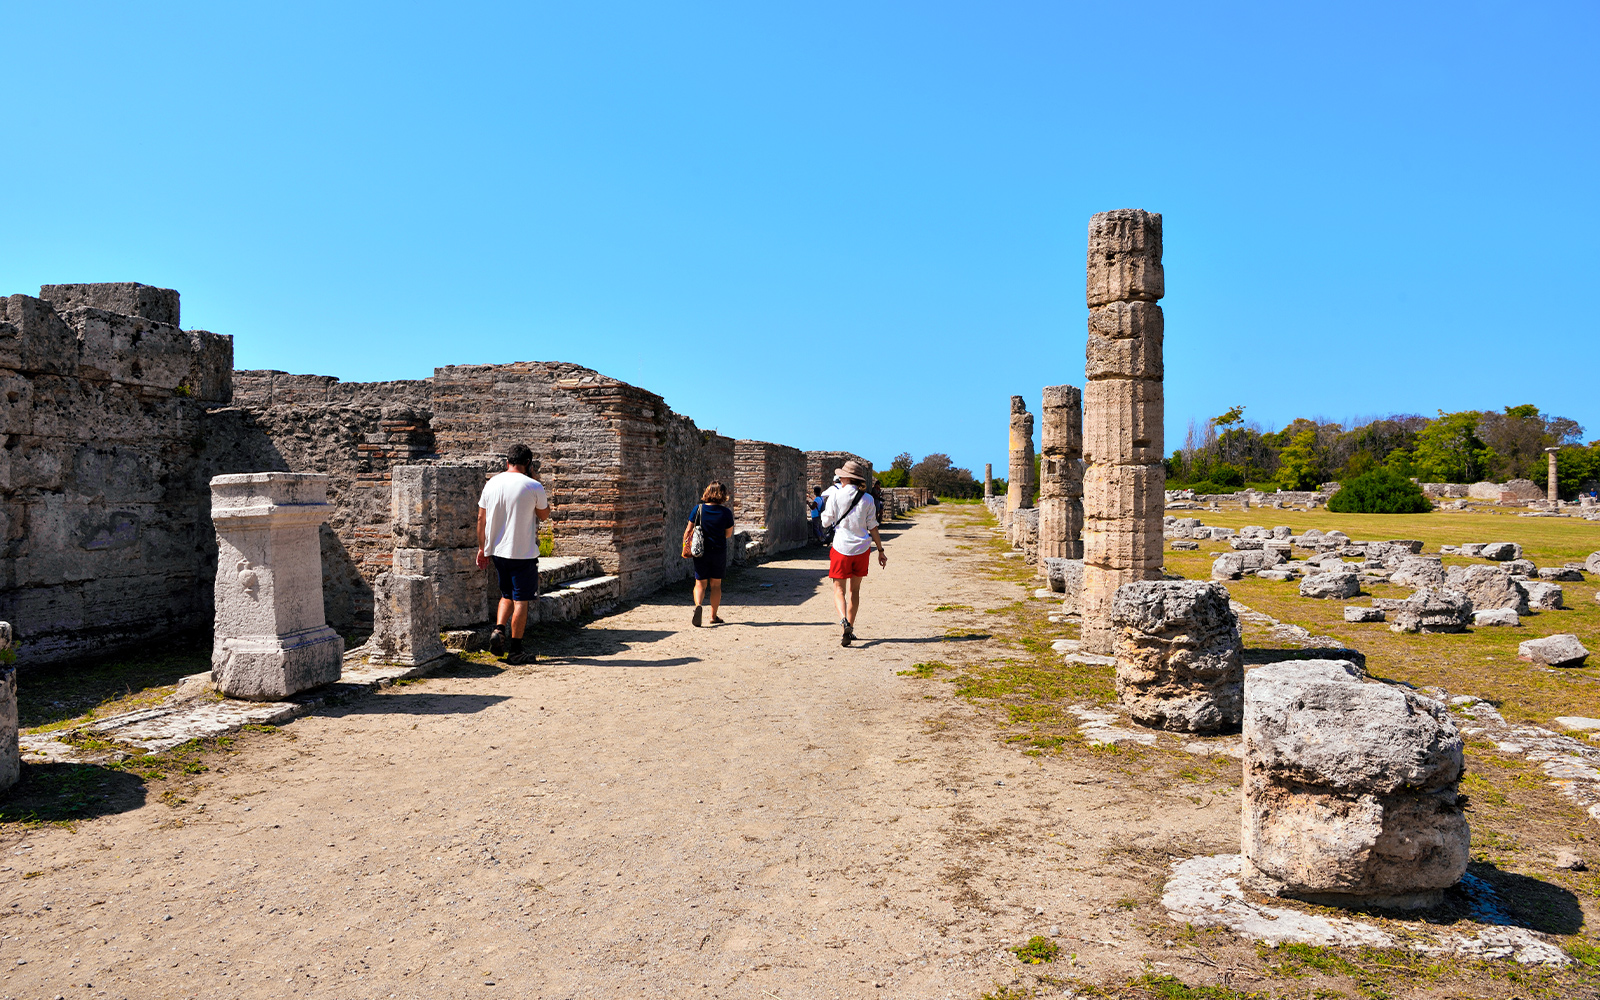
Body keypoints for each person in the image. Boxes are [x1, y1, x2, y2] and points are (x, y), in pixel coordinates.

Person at [476, 443, 550, 664]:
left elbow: (481, 519)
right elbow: (544, 515)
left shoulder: (491, 484)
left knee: (506, 595)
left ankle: (499, 631)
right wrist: (536, 479)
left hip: (497, 551)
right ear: (528, 463)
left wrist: (482, 549)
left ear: (507, 461)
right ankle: (516, 650)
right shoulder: (533, 485)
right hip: (523, 553)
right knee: (521, 600)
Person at [820, 459, 886, 647]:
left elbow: (825, 522)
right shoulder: (868, 499)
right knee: (854, 591)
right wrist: (880, 550)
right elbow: (873, 527)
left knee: (838, 590)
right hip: (862, 549)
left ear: (847, 478)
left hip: (841, 548)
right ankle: (849, 629)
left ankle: (843, 621)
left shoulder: (836, 496)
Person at [682, 482, 735, 627]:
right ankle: (713, 616)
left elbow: (688, 530)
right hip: (718, 551)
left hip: (700, 552)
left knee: (700, 583)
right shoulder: (726, 513)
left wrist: (685, 546)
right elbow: (728, 534)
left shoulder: (698, 509)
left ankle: (698, 605)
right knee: (716, 584)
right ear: (723, 494)